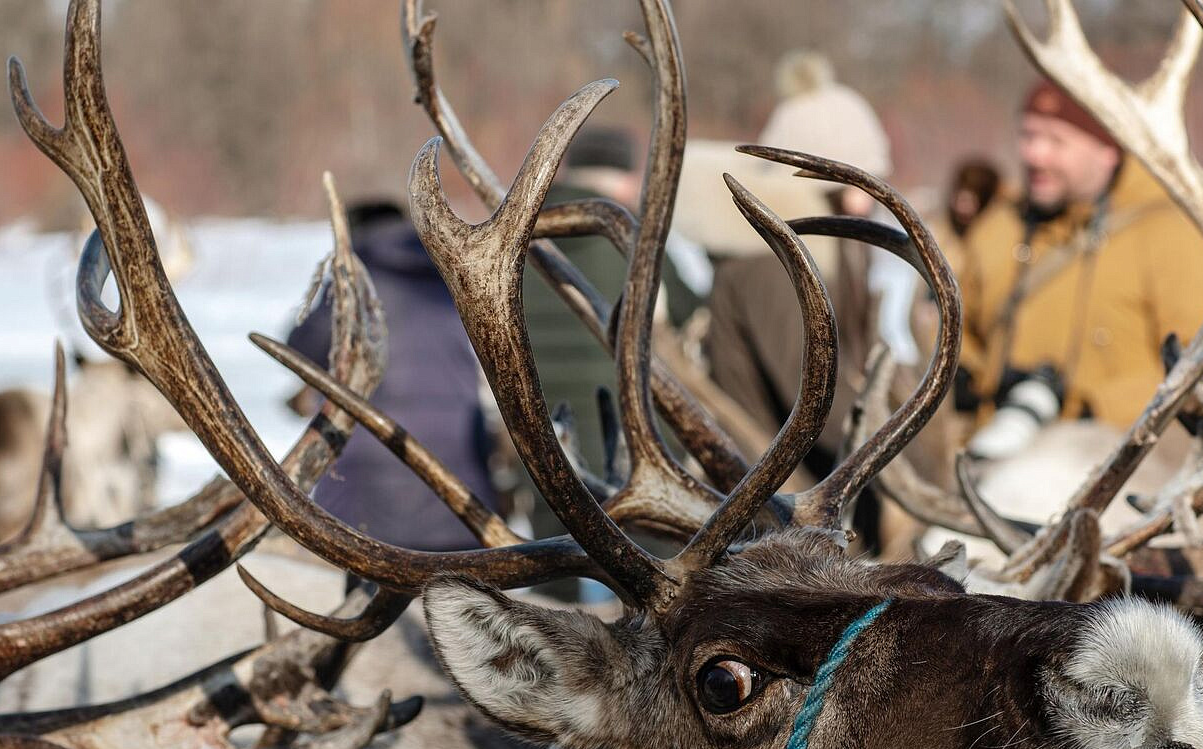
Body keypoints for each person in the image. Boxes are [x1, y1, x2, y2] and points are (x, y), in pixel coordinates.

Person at [955, 80, 1203, 456]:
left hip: (1117, 478)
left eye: (1057, 141)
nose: (1034, 154)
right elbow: (962, 342)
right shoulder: (997, 228)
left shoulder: (1174, 234)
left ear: (1108, 148)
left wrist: (1092, 406)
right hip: (991, 463)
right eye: (1028, 135)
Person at [705, 49, 888, 481]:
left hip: (807, 477)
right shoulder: (775, 259)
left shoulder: (826, 241)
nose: (873, 197)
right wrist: (903, 457)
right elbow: (813, 394)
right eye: (859, 179)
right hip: (771, 497)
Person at [286, 199, 496, 552]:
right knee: (452, 597)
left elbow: (300, 349)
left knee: (364, 591)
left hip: (364, 489)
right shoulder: (449, 276)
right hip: (460, 486)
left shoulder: (352, 277)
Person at [521, 126, 697, 477]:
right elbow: (690, 312)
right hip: (626, 459)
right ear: (625, 182)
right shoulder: (637, 244)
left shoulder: (517, 242)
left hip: (539, 461)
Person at [946, 157, 1004, 240]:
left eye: (970, 201)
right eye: (962, 200)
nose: (963, 208)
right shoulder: (943, 233)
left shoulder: (1000, 229)